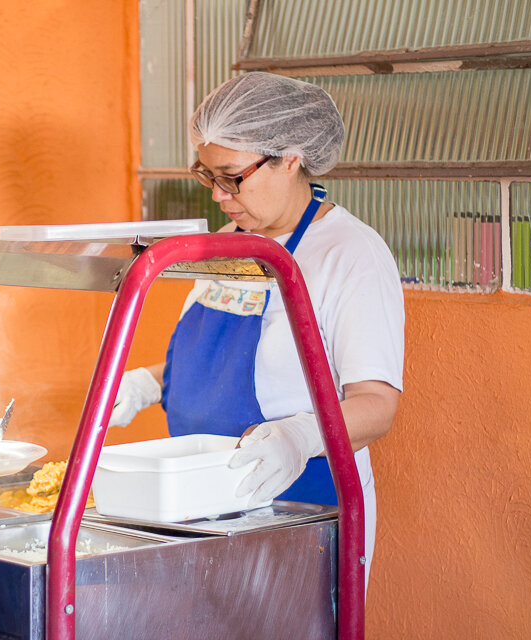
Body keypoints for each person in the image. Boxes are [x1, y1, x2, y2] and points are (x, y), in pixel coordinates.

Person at [109, 72, 404, 584]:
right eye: (208, 177)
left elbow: (376, 404)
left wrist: (297, 436)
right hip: (203, 505)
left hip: (300, 510)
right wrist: (147, 384)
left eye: (232, 176)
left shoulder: (350, 254)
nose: (220, 195)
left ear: (290, 158)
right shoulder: (231, 241)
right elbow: (219, 360)